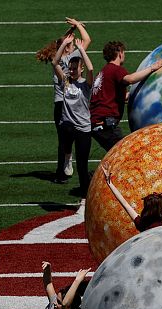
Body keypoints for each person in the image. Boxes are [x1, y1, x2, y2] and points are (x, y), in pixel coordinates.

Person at [36, 18, 91, 183]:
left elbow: (65, 44)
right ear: (68, 47)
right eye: (72, 44)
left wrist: (72, 31)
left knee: (64, 139)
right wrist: (79, 26)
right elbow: (87, 40)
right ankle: (63, 169)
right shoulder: (67, 58)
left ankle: (63, 171)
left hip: (63, 102)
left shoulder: (63, 56)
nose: (74, 45)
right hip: (65, 102)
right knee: (65, 139)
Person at [89, 41, 162, 152]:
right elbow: (130, 79)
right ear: (119, 53)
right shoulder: (116, 69)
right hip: (104, 124)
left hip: (96, 122)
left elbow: (110, 96)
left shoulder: (104, 71)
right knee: (124, 153)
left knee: (117, 154)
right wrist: (152, 68)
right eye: (123, 52)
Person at [58, 43, 96, 198]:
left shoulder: (85, 85)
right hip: (69, 127)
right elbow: (55, 62)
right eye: (70, 68)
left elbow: (91, 69)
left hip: (84, 129)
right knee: (65, 126)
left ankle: (84, 191)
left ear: (81, 69)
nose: (72, 71)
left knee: (82, 164)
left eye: (75, 68)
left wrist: (81, 50)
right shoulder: (65, 81)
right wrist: (64, 45)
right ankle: (67, 155)